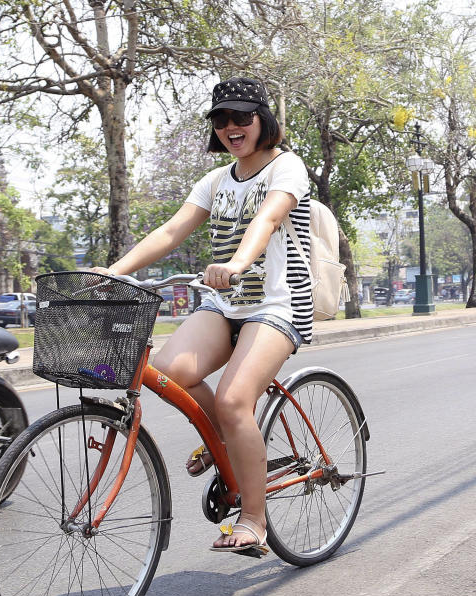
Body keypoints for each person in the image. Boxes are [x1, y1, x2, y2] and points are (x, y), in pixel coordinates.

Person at [92, 77, 313, 555]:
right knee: (168, 372)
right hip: (224, 304)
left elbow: (268, 219)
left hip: (277, 305)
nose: (232, 127)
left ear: (262, 120)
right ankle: (225, 444)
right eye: (222, 119)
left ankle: (253, 517)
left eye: (242, 117)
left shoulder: (286, 168)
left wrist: (236, 263)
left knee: (235, 402)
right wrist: (112, 273)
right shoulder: (215, 181)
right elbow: (172, 230)